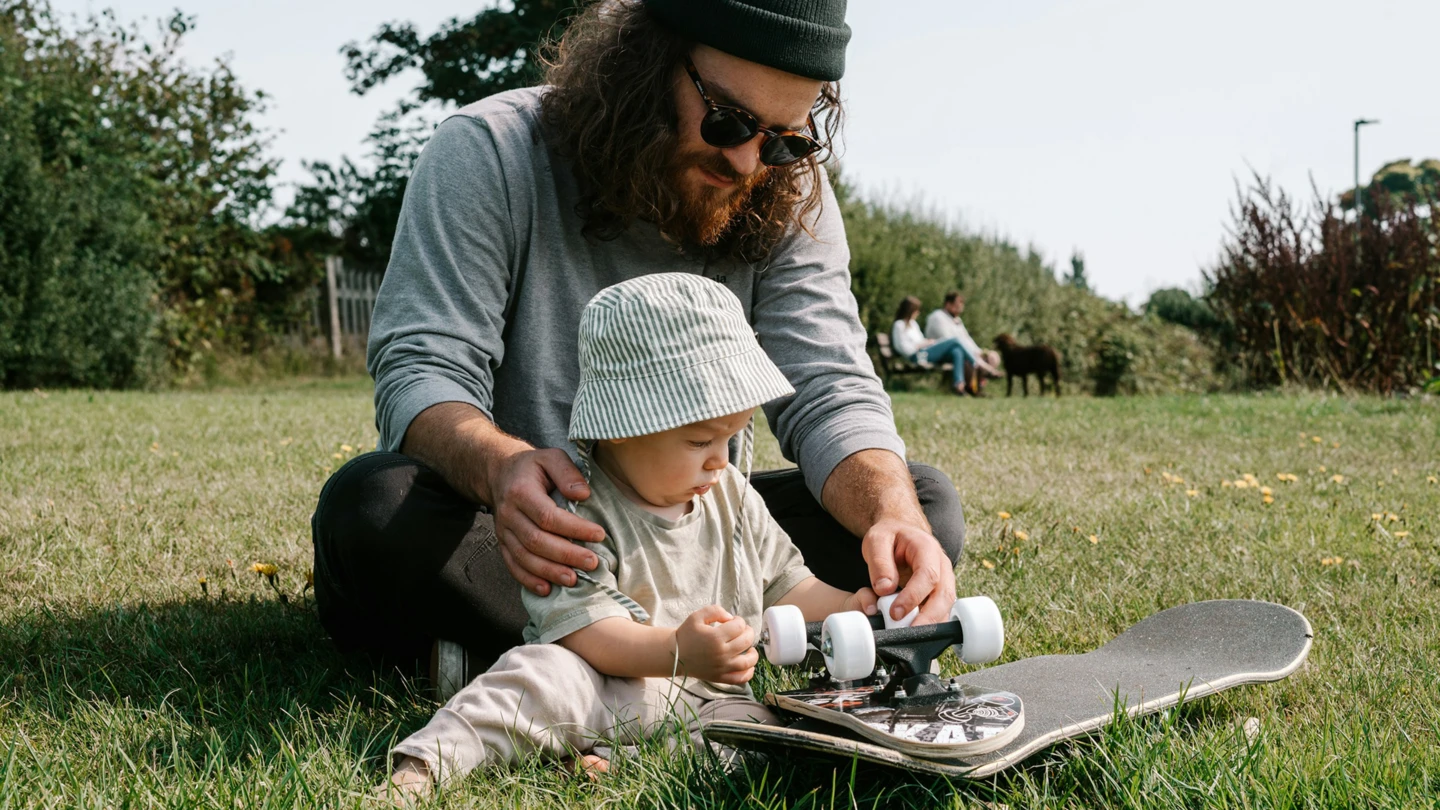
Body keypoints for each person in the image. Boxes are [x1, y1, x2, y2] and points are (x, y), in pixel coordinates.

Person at [311, 0, 966, 695]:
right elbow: (423, 370)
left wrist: (891, 519)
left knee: (921, 504)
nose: (748, 160)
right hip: (541, 536)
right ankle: (686, 642)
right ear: (645, 64)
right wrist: (502, 470)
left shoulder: (790, 189)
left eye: (783, 138)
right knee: (375, 506)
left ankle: (553, 653)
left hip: (699, 535)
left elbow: (830, 385)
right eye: (728, 120)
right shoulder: (490, 150)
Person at [381, 274, 882, 797]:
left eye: (731, 437)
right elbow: (586, 631)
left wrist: (852, 605)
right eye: (699, 440)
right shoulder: (576, 508)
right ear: (623, 425)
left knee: (760, 732)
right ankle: (429, 763)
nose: (721, 458)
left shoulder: (730, 492)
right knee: (540, 677)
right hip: (602, 683)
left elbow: (787, 585)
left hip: (708, 698)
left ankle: (614, 762)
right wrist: (677, 651)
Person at [890, 296, 973, 396]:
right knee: (954, 341)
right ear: (910, 311)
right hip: (917, 356)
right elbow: (901, 347)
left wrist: (927, 342)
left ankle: (959, 385)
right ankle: (975, 362)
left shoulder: (913, 324)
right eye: (916, 311)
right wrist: (919, 345)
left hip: (925, 352)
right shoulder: (899, 325)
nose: (918, 313)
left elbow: (920, 340)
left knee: (956, 351)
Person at [924, 291, 1001, 395]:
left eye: (961, 305)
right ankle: (975, 382)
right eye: (957, 305)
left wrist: (980, 352)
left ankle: (974, 388)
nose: (960, 308)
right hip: (939, 353)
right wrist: (972, 353)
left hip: (956, 351)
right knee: (959, 351)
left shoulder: (957, 320)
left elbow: (966, 339)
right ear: (948, 304)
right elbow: (949, 340)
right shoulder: (937, 317)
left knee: (965, 353)